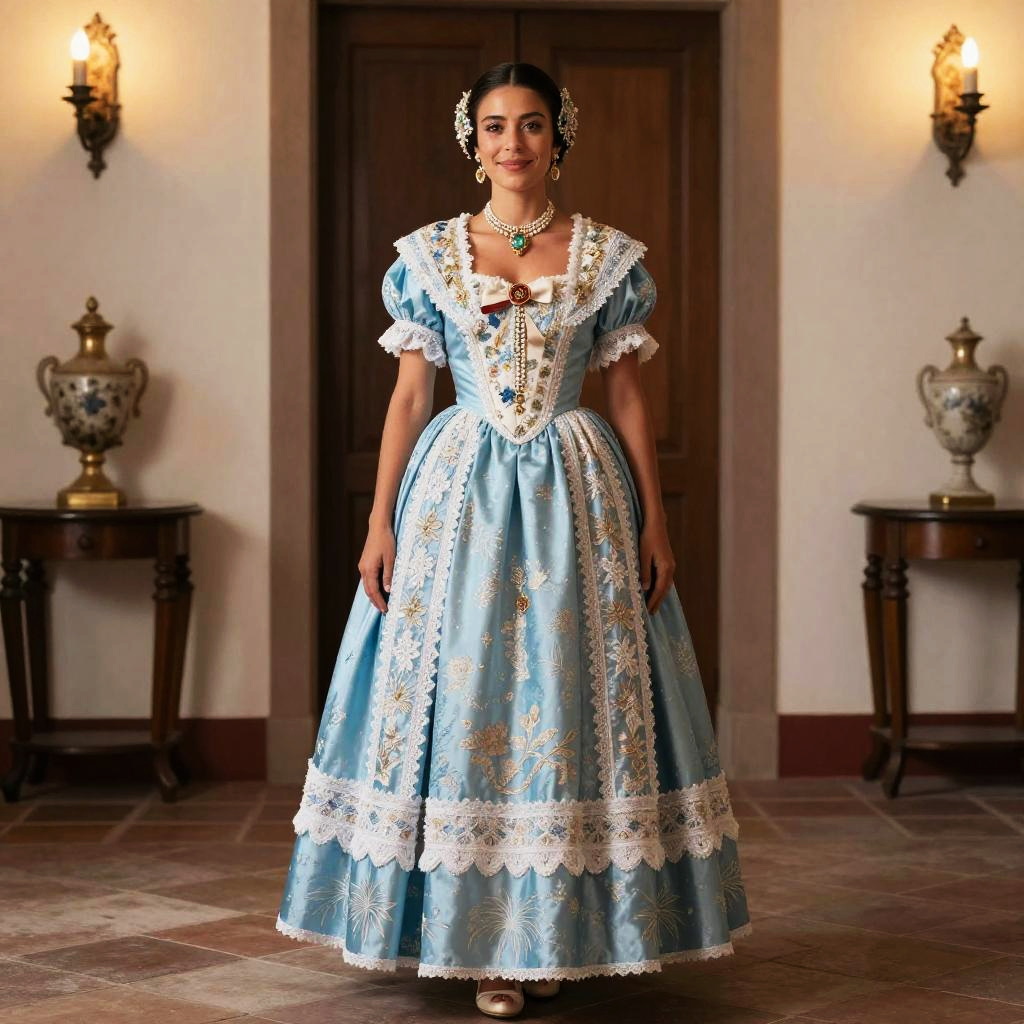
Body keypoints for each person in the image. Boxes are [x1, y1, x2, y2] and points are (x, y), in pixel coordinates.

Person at [276, 62, 751, 1019]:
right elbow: (411, 396)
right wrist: (379, 520)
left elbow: (625, 395)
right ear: (473, 141)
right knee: (466, 698)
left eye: (532, 125)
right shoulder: (431, 257)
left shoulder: (609, 258)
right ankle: (479, 942)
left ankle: (565, 936)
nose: (514, 144)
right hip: (458, 495)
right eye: (496, 127)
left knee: (569, 696)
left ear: (558, 139)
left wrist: (656, 518)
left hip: (576, 491)